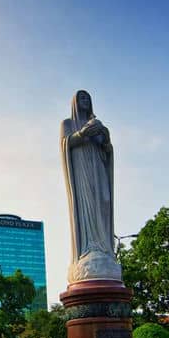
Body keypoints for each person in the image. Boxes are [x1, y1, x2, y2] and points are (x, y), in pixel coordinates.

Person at [60, 90, 120, 283]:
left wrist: (106, 139)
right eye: (81, 98)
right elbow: (64, 144)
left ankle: (105, 248)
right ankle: (89, 248)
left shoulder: (98, 123)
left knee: (103, 201)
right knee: (88, 208)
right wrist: (83, 133)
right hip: (82, 173)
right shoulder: (68, 124)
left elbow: (106, 149)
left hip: (98, 169)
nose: (85, 101)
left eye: (87, 98)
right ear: (75, 103)